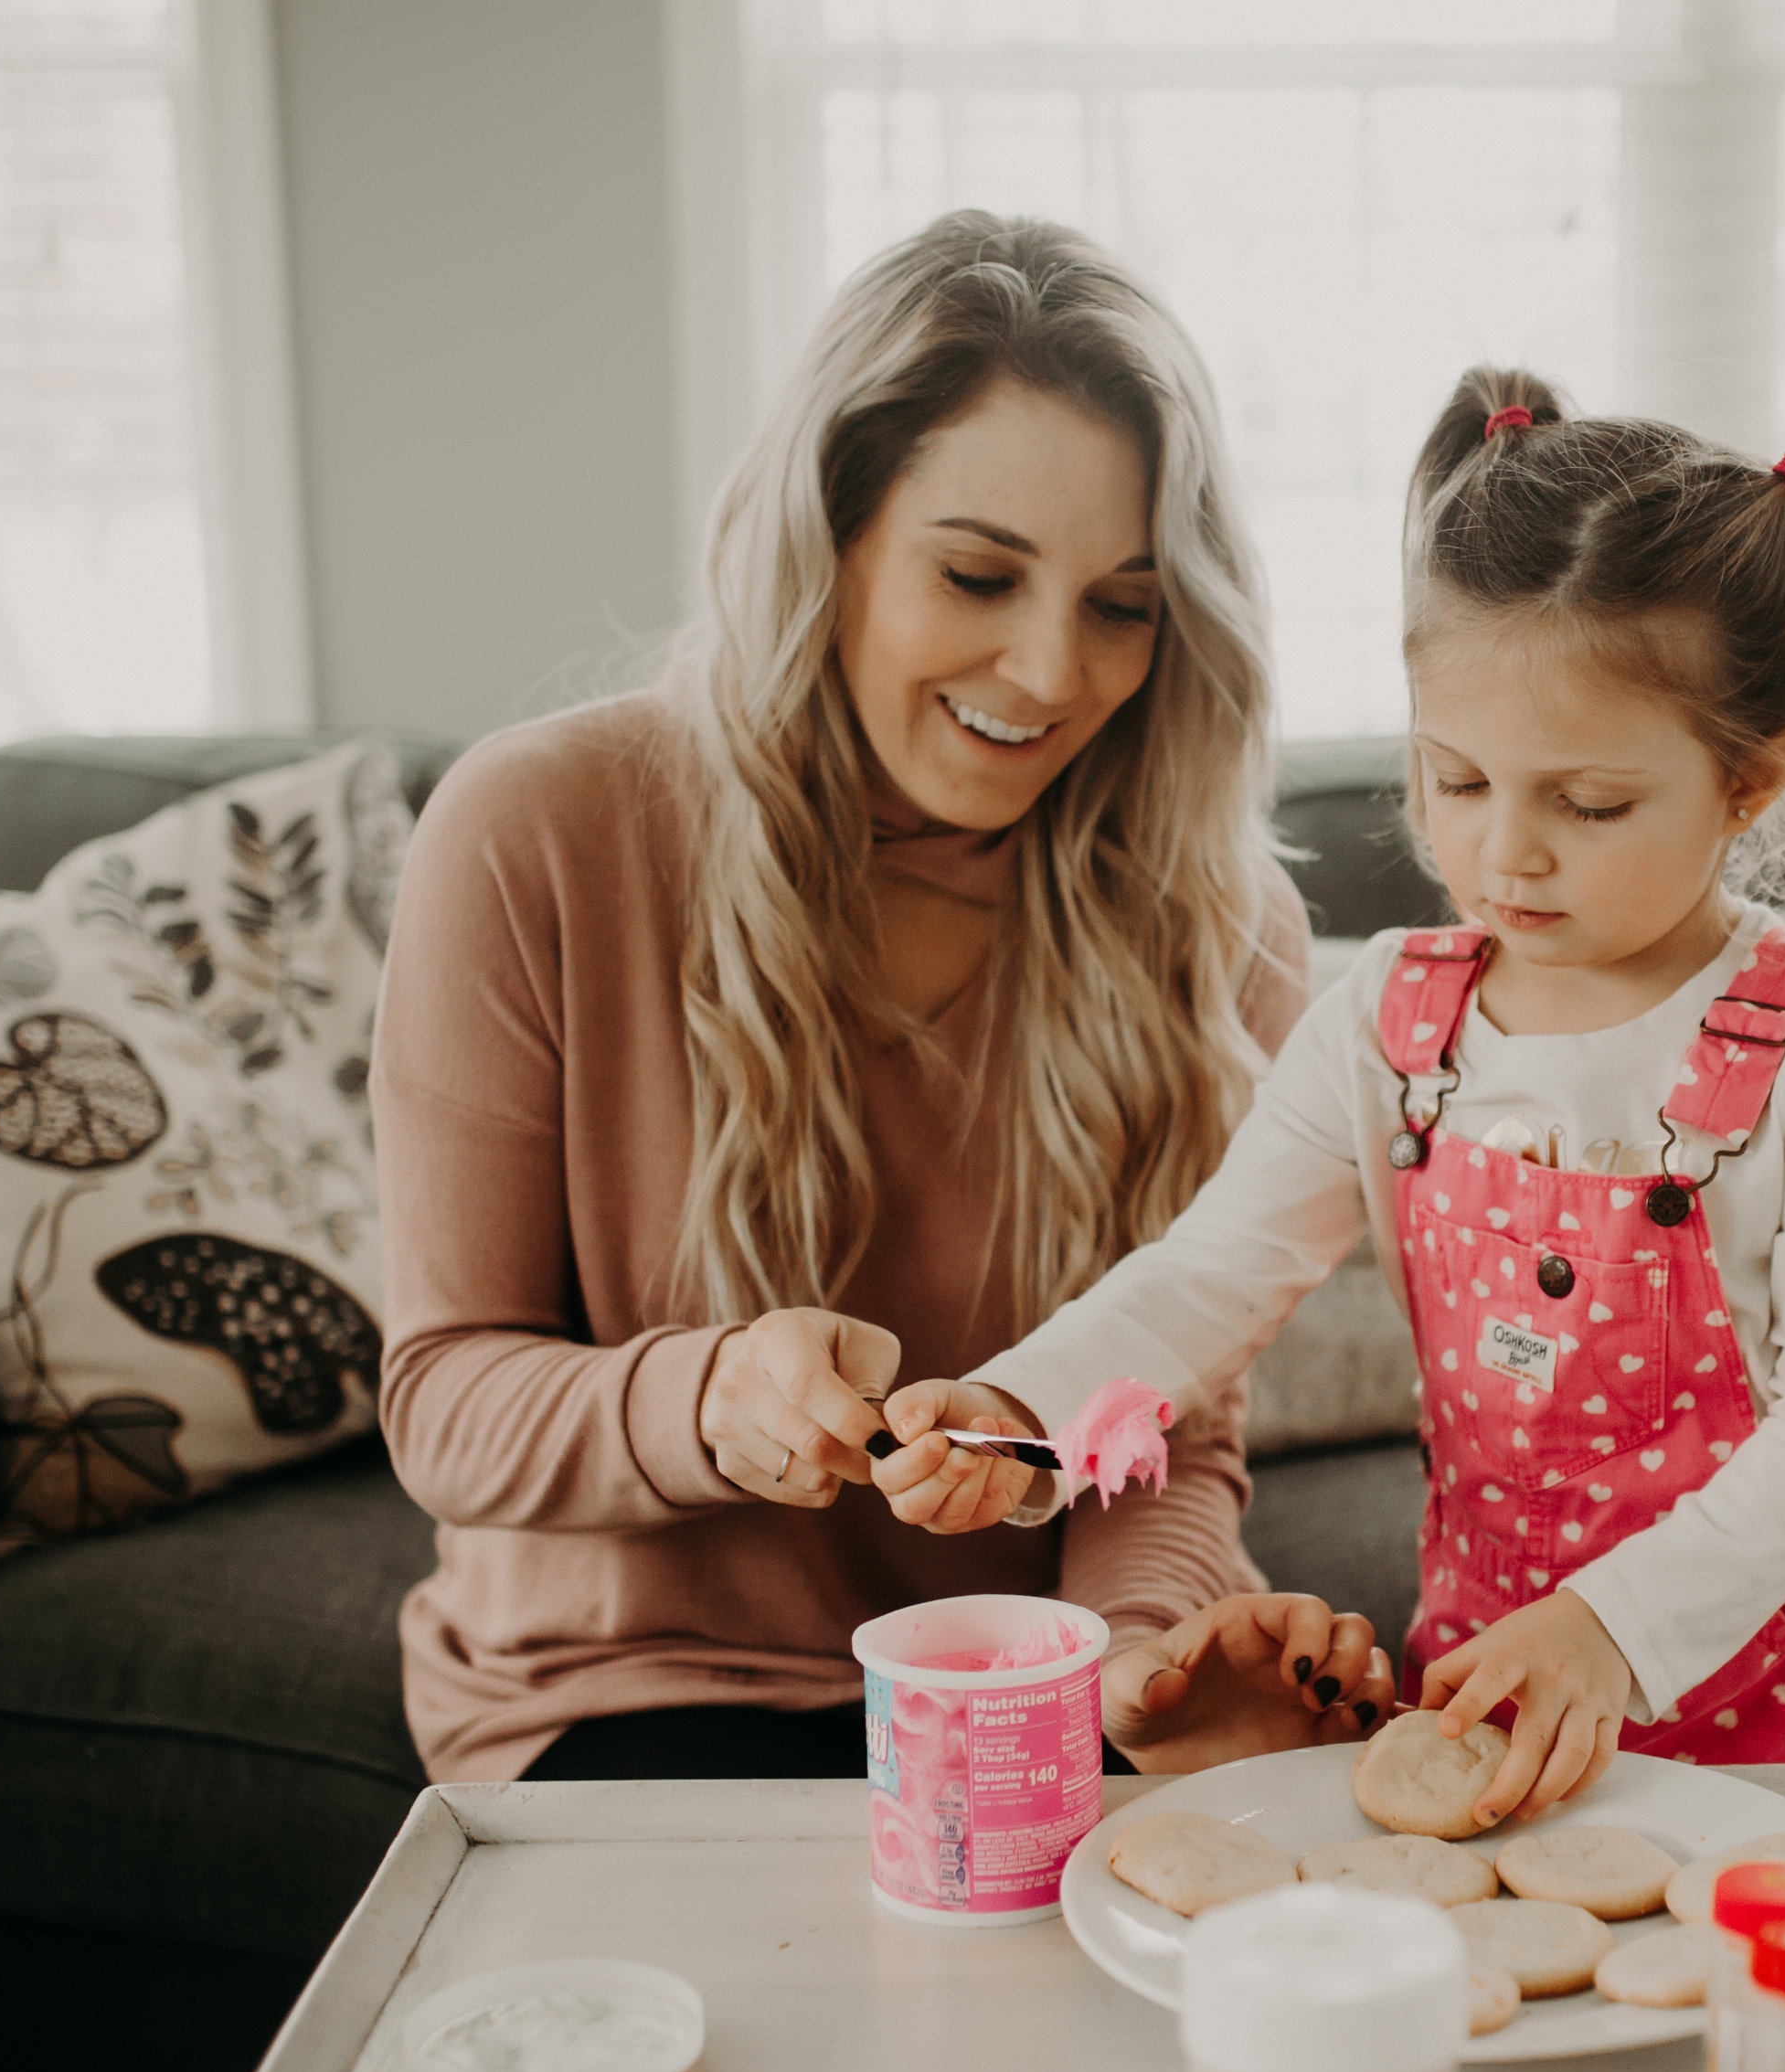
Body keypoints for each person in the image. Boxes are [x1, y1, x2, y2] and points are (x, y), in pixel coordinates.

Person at [877, 366, 1785, 1829]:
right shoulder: (1394, 1020)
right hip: (1484, 1708)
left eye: (1586, 806)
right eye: (1454, 781)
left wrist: (1610, 1630)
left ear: (1755, 785)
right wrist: (1024, 1408)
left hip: (1782, 1734)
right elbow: (1217, 1272)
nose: (1504, 855)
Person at [373, 212, 1390, 1785]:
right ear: (829, 533)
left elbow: (1163, 1435)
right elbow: (445, 1402)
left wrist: (1135, 1655)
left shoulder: (1215, 925)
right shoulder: (541, 834)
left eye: (1122, 605)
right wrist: (707, 1400)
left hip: (1031, 1694)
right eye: (979, 574)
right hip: (636, 1689)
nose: (1050, 673)